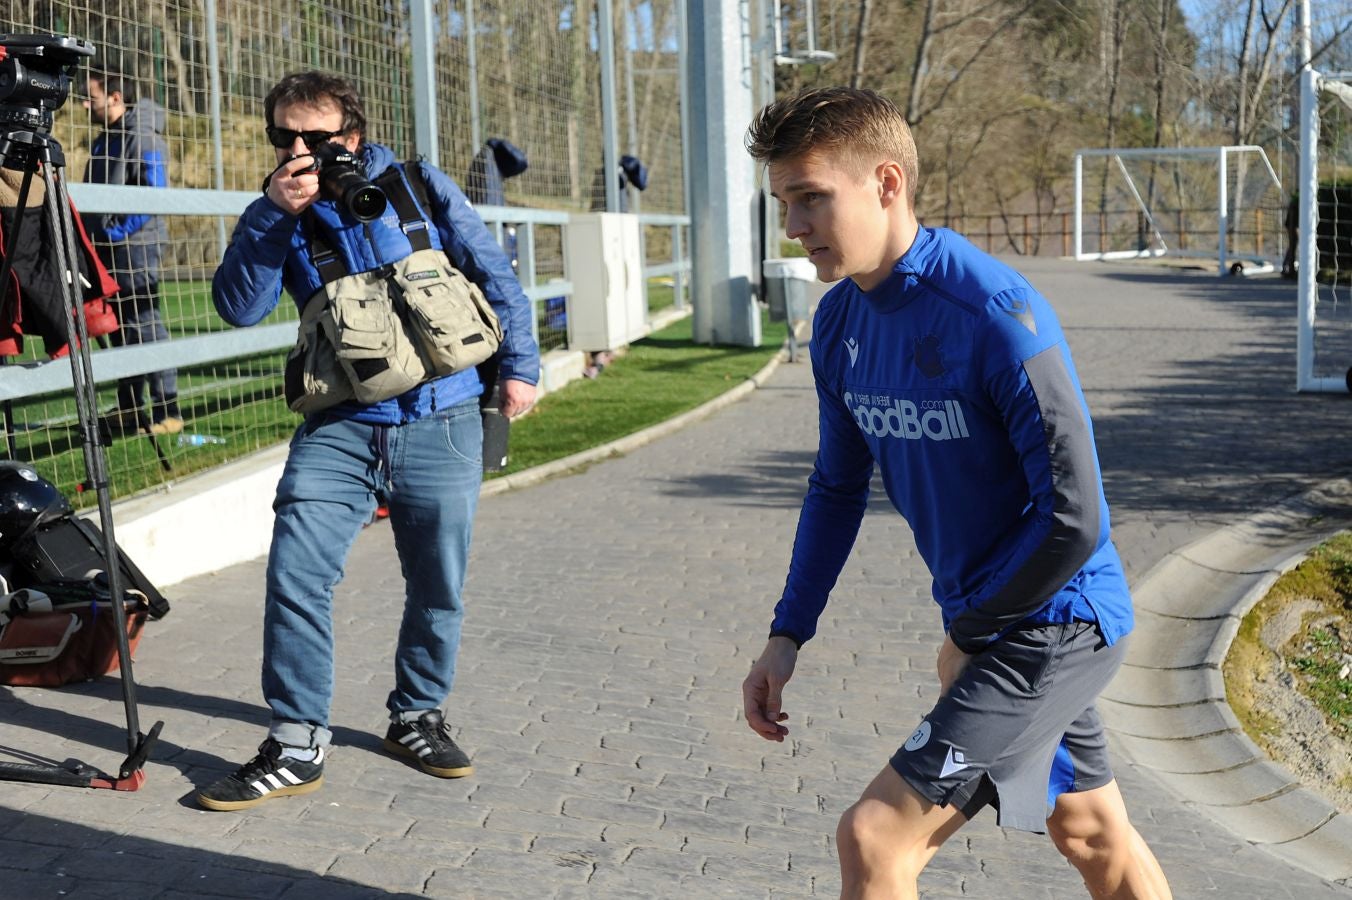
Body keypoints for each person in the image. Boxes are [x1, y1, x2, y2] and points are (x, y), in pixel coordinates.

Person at [740, 87, 1172, 900]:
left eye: (811, 199)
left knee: (874, 837)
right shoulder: (838, 327)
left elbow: (1077, 519)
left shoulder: (996, 315)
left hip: (1058, 624)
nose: (793, 228)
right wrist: (786, 635)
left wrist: (975, 632)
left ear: (887, 183)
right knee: (1090, 831)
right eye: (784, 203)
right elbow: (835, 489)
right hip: (996, 626)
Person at [196, 71, 539, 811]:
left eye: (315, 139)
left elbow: (492, 273)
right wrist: (272, 216)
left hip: (445, 417)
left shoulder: (417, 183)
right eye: (282, 137)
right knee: (295, 574)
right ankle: (295, 742)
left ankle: (415, 715)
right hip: (340, 427)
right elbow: (237, 307)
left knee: (438, 586)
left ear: (352, 134)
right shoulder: (277, 209)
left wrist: (521, 369)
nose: (298, 151)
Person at [82, 71, 182, 435]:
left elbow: (155, 193)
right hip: (106, 250)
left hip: (136, 248)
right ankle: (128, 407)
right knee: (120, 329)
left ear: (114, 96)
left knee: (145, 325)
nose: (83, 103)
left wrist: (115, 229)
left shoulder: (141, 135)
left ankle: (167, 410)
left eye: (89, 95)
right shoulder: (102, 140)